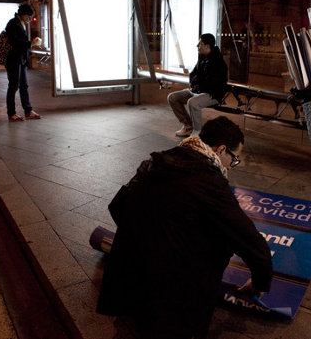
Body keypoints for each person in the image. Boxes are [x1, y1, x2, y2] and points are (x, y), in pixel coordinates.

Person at [96, 116, 272, 339]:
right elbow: (250, 241)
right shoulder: (208, 182)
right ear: (220, 150)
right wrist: (260, 281)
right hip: (174, 293)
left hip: (129, 277)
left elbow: (117, 206)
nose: (232, 166)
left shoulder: (156, 162)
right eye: (234, 159)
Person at [168, 33, 228, 137]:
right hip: (197, 91)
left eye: (200, 43)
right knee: (172, 97)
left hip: (212, 94)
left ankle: (197, 132)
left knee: (193, 102)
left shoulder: (218, 62)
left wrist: (197, 84)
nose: (197, 46)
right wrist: (196, 84)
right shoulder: (202, 58)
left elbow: (211, 84)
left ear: (206, 46)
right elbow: (193, 74)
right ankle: (188, 126)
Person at [5, 4, 40, 122]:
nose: (30, 20)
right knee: (13, 86)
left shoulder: (21, 23)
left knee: (24, 86)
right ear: (23, 14)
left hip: (20, 60)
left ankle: (28, 111)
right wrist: (31, 43)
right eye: (29, 17)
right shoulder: (13, 23)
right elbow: (15, 42)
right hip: (13, 60)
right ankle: (11, 113)